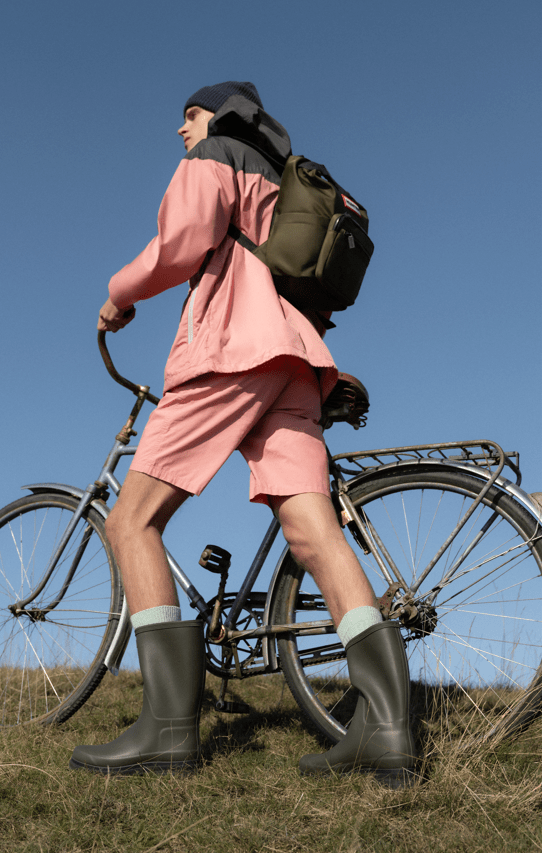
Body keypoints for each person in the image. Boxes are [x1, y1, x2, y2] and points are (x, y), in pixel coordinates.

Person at [70, 82, 416, 785]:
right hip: (296, 364)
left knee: (131, 521)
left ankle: (168, 730)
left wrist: (119, 292)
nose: (180, 130)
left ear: (221, 115)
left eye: (188, 116)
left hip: (231, 352)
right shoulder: (284, 185)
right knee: (315, 533)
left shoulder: (220, 154)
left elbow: (182, 242)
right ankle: (386, 728)